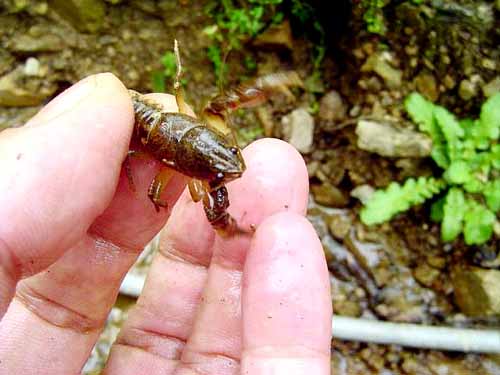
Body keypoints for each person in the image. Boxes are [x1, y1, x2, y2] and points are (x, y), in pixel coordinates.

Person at [0, 73, 332, 374]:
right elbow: (185, 195)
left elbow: (213, 105)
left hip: (163, 129)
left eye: (230, 151)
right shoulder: (179, 167)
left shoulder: (197, 143)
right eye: (219, 173)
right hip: (137, 127)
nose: (232, 169)